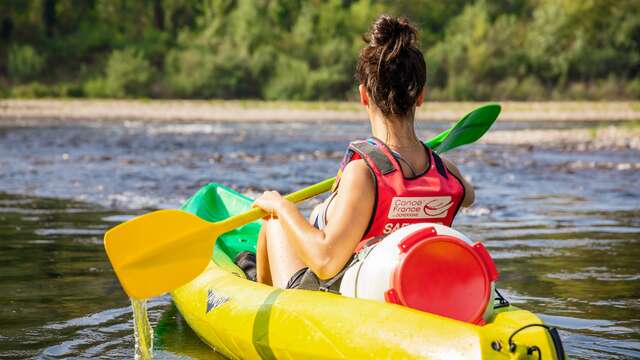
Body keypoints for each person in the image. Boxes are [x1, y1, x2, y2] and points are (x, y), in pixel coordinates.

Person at [251, 15, 474, 291]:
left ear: (363, 95)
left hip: (342, 300)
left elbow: (325, 261)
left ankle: (256, 293)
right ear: (420, 96)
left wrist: (282, 207)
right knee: (320, 212)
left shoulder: (364, 173)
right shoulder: (447, 173)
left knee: (273, 219)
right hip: (408, 288)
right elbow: (468, 196)